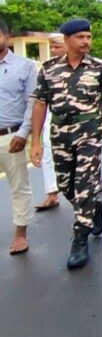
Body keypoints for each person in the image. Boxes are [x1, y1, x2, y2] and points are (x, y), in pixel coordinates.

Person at [30, 18, 102, 269]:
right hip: (60, 133)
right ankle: (93, 208)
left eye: (88, 37)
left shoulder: (100, 67)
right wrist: (35, 142)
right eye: (80, 37)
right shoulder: (49, 69)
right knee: (66, 186)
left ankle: (80, 239)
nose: (86, 41)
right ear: (67, 40)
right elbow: (40, 104)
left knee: (84, 183)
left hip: (90, 132)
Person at [0, 19, 37, 255]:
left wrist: (25, 133)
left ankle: (20, 234)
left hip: (11, 136)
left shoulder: (25, 66)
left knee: (18, 186)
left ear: (7, 35)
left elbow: (32, 102)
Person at [34, 33, 66, 211]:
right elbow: (39, 100)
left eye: (57, 47)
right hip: (51, 114)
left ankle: (91, 183)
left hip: (77, 120)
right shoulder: (47, 69)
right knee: (47, 150)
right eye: (52, 47)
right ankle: (52, 192)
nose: (53, 50)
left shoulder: (87, 66)